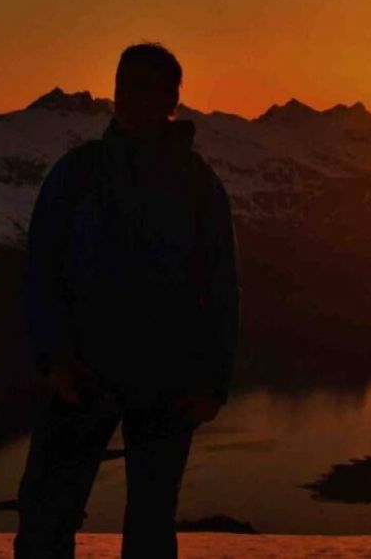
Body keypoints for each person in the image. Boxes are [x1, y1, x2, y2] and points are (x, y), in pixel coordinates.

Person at [14, 42, 240, 559]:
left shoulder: (198, 187)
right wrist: (53, 358)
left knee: (150, 529)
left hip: (167, 383)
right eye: (122, 83)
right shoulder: (77, 175)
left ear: (171, 99)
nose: (128, 95)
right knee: (47, 517)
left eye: (143, 85)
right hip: (81, 378)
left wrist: (213, 382)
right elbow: (42, 271)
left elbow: (221, 287)